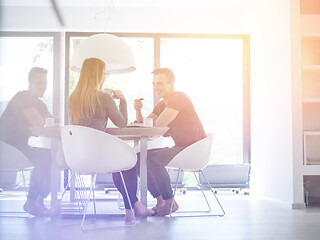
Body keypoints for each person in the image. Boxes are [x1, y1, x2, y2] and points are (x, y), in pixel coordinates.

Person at [68, 58, 154, 222]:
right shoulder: (103, 97)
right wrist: (122, 100)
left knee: (120, 162)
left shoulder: (72, 98)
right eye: (104, 74)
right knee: (128, 162)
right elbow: (122, 123)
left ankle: (135, 206)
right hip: (99, 157)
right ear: (99, 75)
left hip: (78, 158)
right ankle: (131, 210)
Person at [134, 68, 207, 216]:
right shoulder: (162, 104)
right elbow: (146, 123)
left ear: (171, 84)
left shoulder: (178, 97)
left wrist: (153, 123)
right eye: (153, 83)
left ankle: (170, 202)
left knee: (154, 159)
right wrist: (138, 111)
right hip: (181, 147)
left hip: (193, 149)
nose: (155, 87)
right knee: (139, 158)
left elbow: (159, 122)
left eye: (159, 83)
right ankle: (161, 201)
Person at [0, 67, 54, 216]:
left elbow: (51, 122)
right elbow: (39, 124)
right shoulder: (21, 97)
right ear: (30, 83)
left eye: (45, 82)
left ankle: (39, 201)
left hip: (20, 146)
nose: (43, 86)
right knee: (45, 158)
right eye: (39, 82)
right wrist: (46, 126)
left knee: (51, 157)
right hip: (6, 147)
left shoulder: (40, 104)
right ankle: (31, 202)